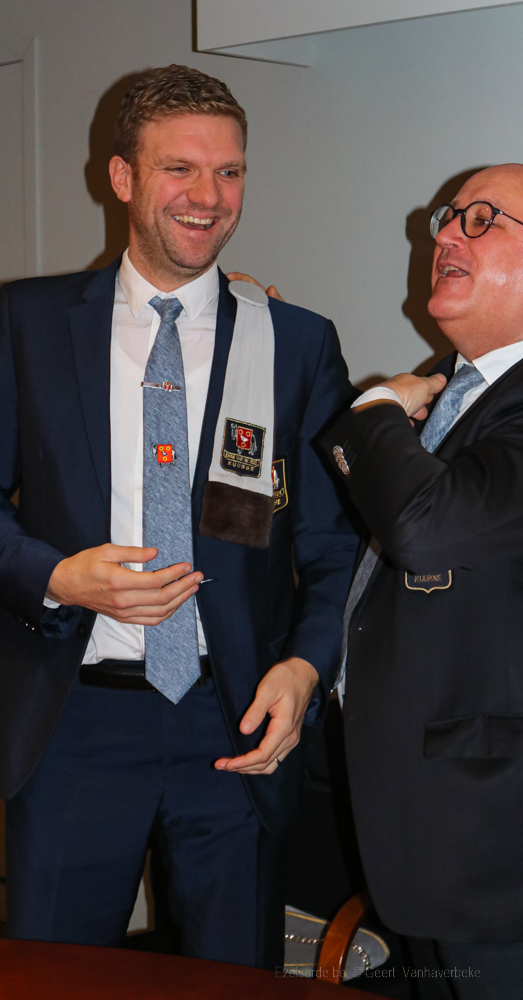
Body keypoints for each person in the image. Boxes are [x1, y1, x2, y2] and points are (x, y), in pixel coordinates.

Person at [0, 64, 357, 969]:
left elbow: (331, 546)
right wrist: (56, 576)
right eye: (180, 169)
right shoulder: (30, 323)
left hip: (233, 721)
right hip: (73, 720)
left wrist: (304, 668)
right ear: (122, 177)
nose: (208, 197)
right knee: (53, 980)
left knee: (232, 982)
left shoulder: (291, 341)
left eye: (229, 172)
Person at [324, 163, 523, 998]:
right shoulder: (451, 392)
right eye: (449, 215)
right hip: (429, 825)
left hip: (496, 847)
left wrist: (372, 412)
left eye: (484, 218)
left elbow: (421, 529)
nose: (445, 233)